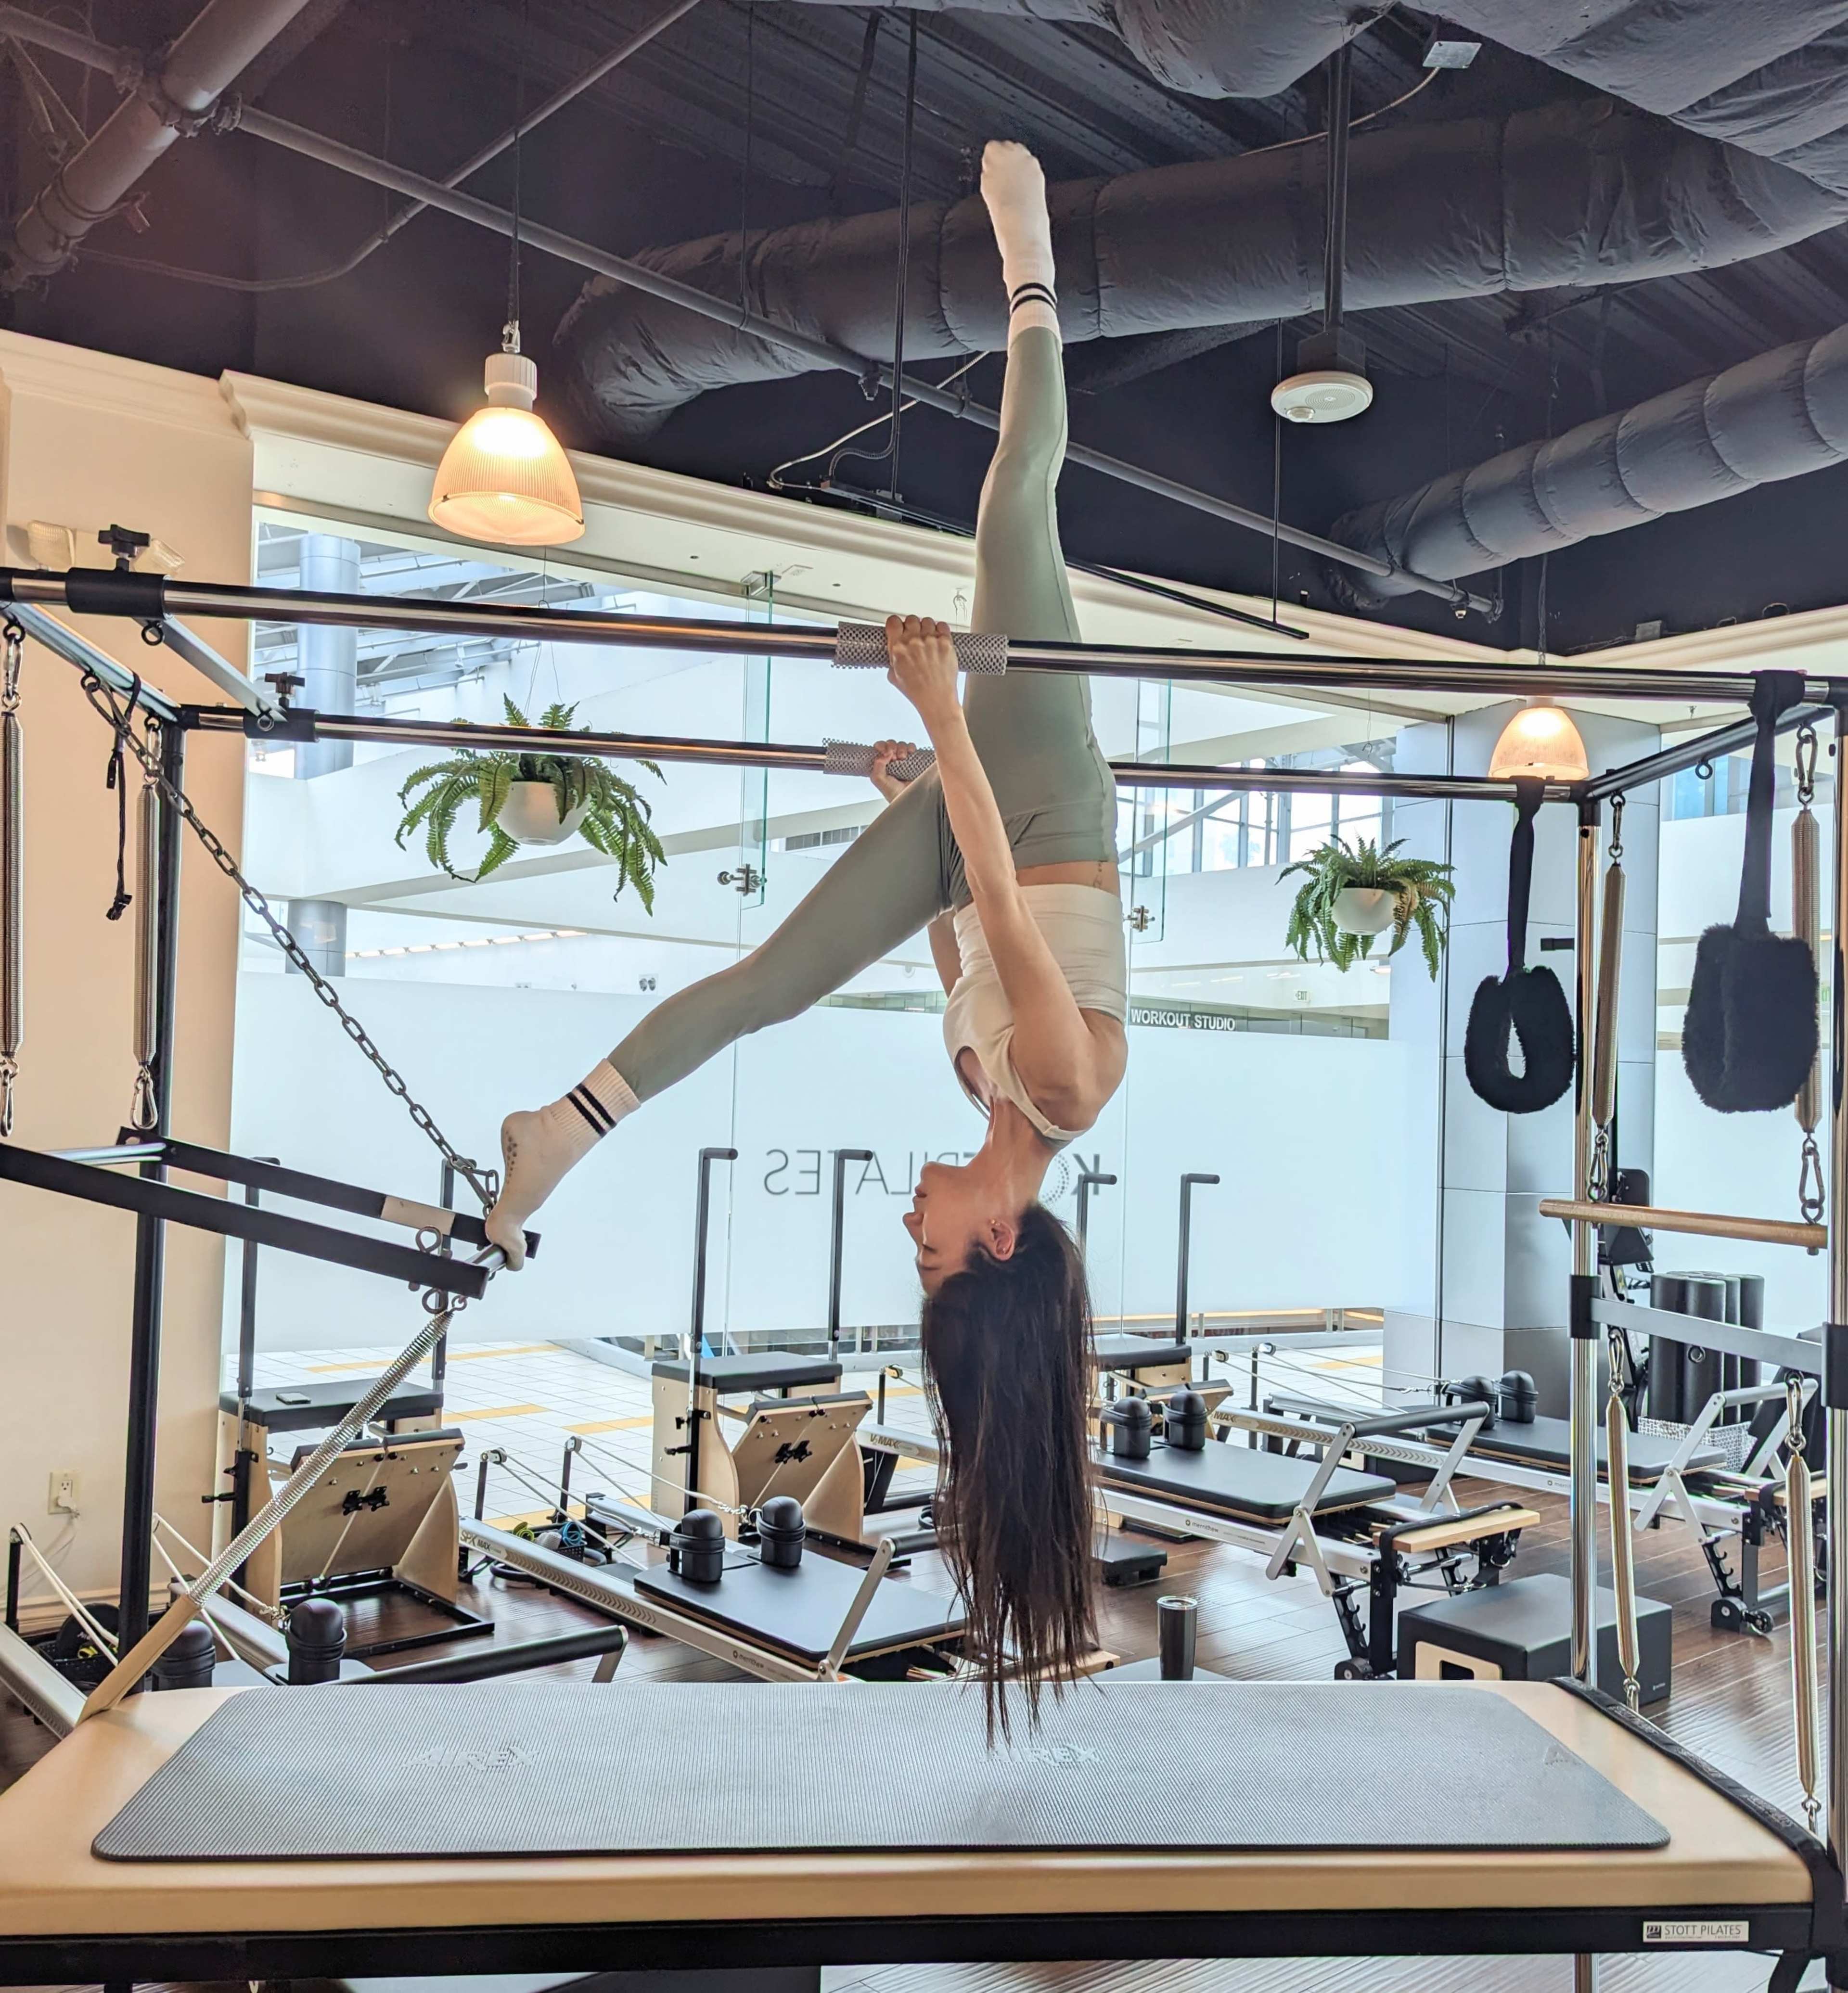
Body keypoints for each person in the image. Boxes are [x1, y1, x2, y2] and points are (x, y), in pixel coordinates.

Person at [486, 141, 1126, 1725]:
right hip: (1034, 787)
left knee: (773, 983)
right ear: (994, 1239)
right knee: (1012, 503)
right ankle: (1031, 266)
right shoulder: (1065, 1087)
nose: (904, 1218)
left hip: (975, 830)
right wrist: (943, 728)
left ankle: (559, 1131)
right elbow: (991, 873)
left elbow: (953, 938)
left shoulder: (979, 1086)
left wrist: (904, 786)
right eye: (923, 1245)